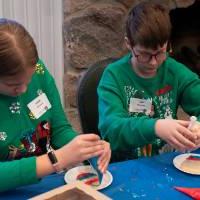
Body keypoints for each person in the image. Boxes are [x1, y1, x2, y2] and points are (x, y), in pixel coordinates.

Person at [0, 18, 111, 192]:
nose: (23, 90)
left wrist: (86, 147)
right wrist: (55, 159)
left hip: (45, 183)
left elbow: (59, 130)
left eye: (28, 81)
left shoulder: (38, 71)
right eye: (13, 85)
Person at [97, 2, 200, 162]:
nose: (153, 63)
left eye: (160, 53)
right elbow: (111, 130)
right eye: (144, 55)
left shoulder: (175, 72)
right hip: (125, 166)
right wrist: (156, 127)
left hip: (166, 161)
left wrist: (198, 128)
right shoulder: (114, 76)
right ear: (128, 44)